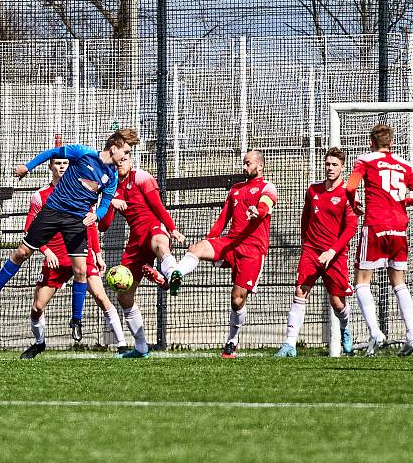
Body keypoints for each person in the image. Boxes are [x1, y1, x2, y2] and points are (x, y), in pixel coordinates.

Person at [0, 128, 139, 342]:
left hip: (76, 221)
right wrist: (28, 167)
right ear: (114, 148)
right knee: (22, 252)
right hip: (53, 211)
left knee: (81, 271)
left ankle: (76, 320)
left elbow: (105, 203)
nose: (126, 157)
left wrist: (96, 216)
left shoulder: (112, 177)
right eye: (125, 152)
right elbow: (52, 153)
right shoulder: (83, 153)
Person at [167, 150, 277, 358]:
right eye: (244, 163)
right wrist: (210, 239)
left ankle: (232, 340)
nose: (244, 167)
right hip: (230, 243)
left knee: (237, 301)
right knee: (197, 248)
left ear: (260, 166)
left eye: (248, 163)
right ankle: (175, 273)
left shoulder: (267, 187)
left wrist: (258, 211)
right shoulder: (235, 190)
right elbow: (222, 220)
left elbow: (266, 204)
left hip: (252, 250)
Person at [19, 156, 129, 359]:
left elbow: (91, 224)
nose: (62, 166)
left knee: (101, 297)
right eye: (57, 163)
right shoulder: (40, 196)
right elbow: (29, 229)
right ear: (50, 166)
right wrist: (46, 251)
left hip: (81, 255)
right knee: (37, 307)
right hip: (56, 258)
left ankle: (122, 346)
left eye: (65, 163)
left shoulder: (83, 188)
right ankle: (39, 344)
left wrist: (97, 253)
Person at [346, 124, 413, 357]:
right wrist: (404, 202)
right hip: (399, 230)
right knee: (399, 283)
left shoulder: (365, 160)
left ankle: (375, 332)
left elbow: (350, 187)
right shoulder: (405, 165)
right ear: (391, 143)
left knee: (362, 281)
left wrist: (354, 204)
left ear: (371, 142)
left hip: (375, 226)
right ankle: (411, 336)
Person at [98, 151, 186, 358]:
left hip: (153, 227)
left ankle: (172, 274)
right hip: (135, 240)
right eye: (117, 161)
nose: (120, 163)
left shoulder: (142, 177)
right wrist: (109, 203)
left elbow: (158, 206)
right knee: (124, 297)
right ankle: (140, 347)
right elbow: (103, 225)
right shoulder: (110, 187)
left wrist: (171, 228)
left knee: (160, 243)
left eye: (124, 159)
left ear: (131, 160)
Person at [275, 147, 358, 357]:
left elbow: (350, 228)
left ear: (342, 167)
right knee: (300, 291)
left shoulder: (348, 194)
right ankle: (290, 344)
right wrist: (306, 242)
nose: (330, 168)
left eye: (334, 165)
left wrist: (332, 251)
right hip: (311, 250)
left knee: (337, 303)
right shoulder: (313, 190)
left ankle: (345, 328)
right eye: (327, 164)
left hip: (335, 255)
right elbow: (305, 218)